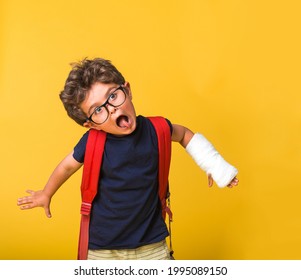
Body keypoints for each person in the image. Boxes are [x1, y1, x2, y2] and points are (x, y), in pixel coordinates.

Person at [17, 58, 239, 260]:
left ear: (128, 90)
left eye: (113, 96)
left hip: (151, 245)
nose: (112, 110)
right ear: (91, 124)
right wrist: (46, 193)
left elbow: (183, 134)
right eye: (98, 110)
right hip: (102, 249)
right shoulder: (92, 142)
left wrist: (213, 165)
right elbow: (66, 167)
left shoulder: (157, 129)